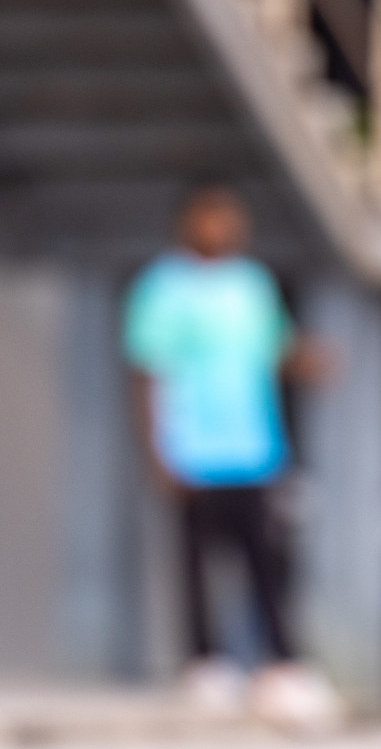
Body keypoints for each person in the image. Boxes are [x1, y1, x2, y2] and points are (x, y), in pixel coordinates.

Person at [124, 185, 338, 728]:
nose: (223, 226)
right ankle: (207, 664)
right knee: (196, 565)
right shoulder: (162, 287)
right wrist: (158, 451)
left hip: (255, 450)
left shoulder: (253, 283)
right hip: (194, 450)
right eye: (212, 216)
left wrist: (307, 359)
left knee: (267, 564)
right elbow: (148, 372)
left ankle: (281, 665)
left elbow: (275, 349)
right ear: (189, 220)